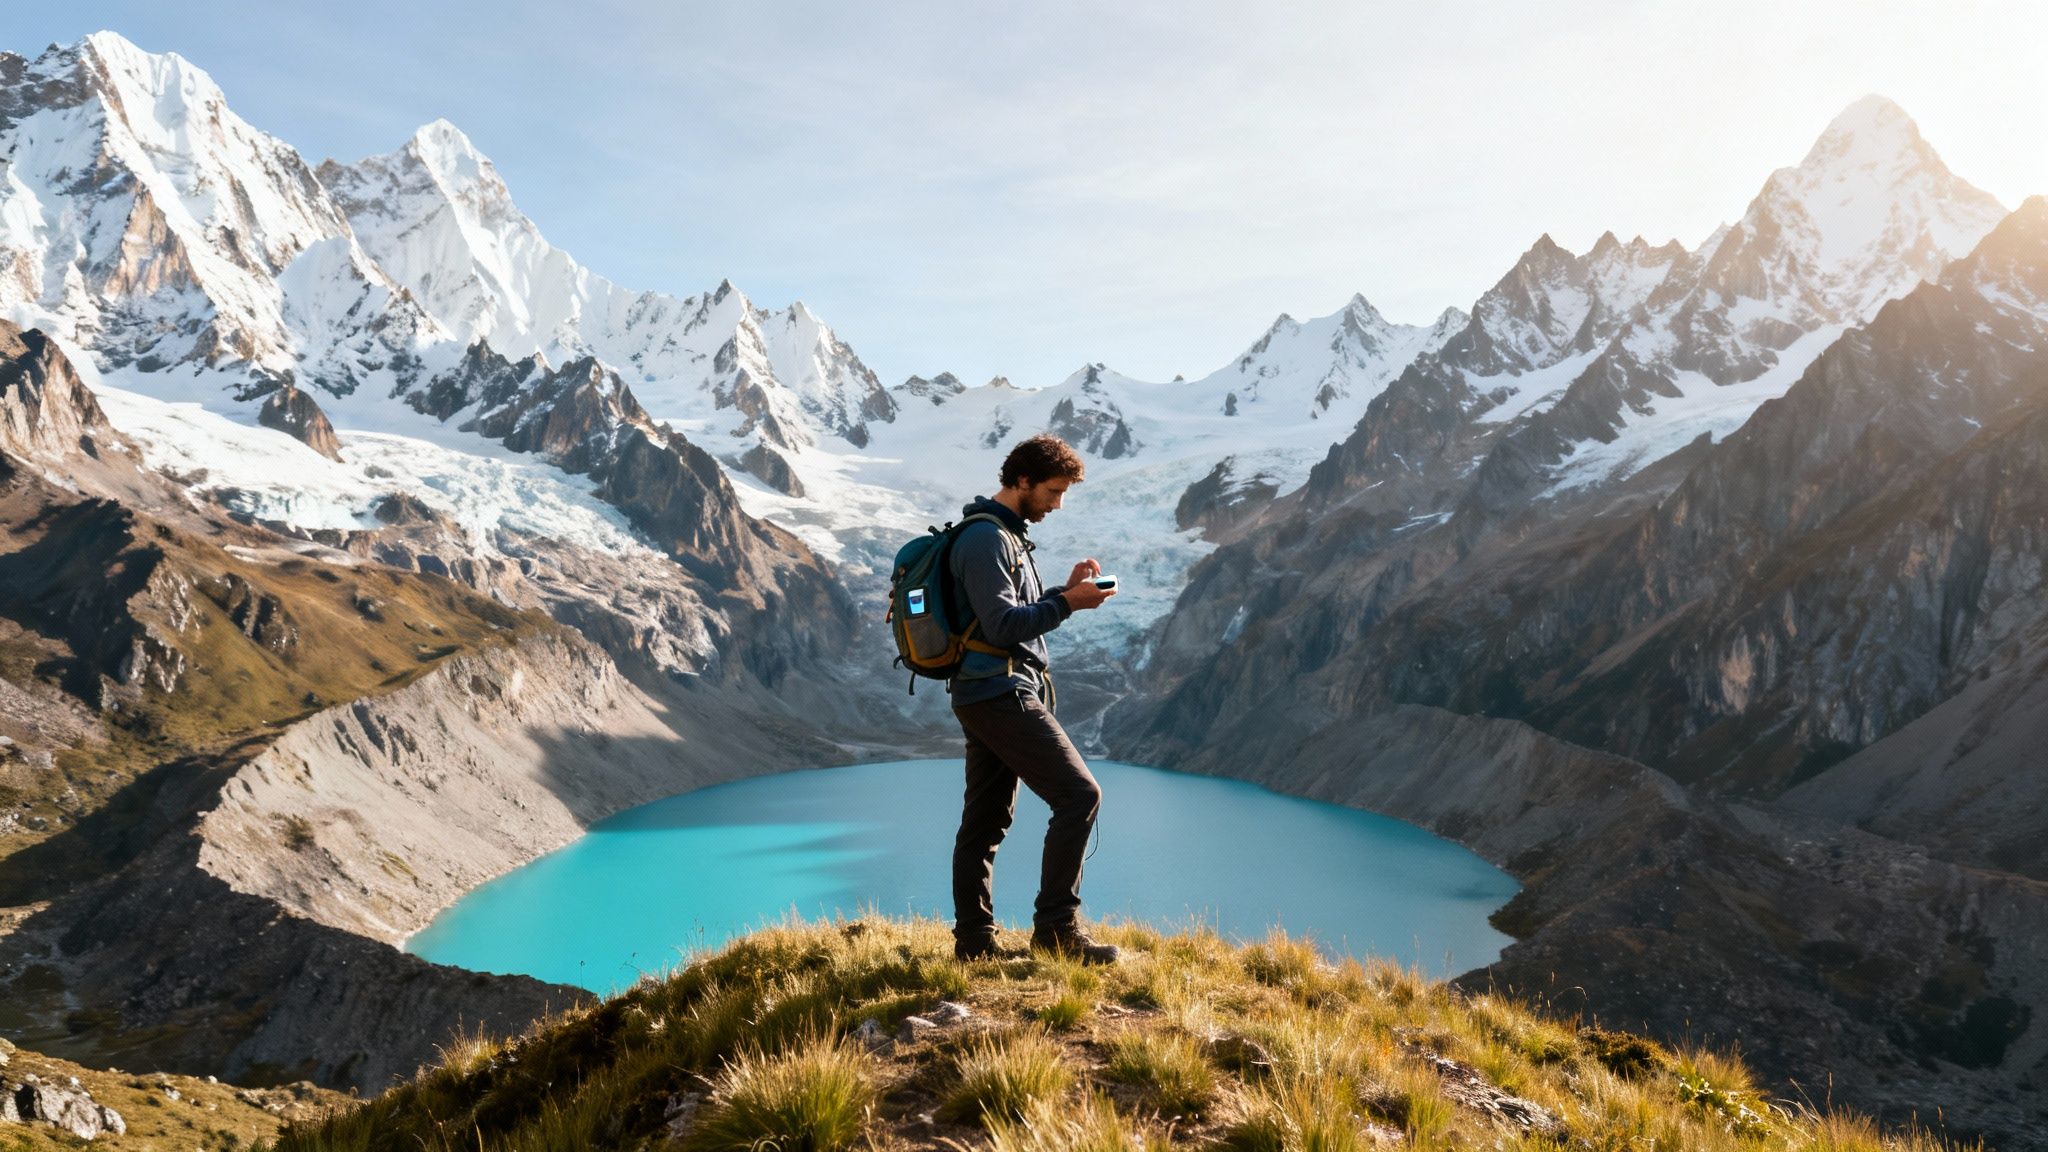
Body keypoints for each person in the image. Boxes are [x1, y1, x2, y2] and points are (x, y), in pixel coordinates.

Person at [947, 434, 1120, 964]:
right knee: (1079, 796)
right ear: (1021, 480)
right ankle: (1057, 931)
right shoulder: (986, 540)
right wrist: (1069, 604)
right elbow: (1002, 627)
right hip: (999, 692)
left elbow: (1007, 619)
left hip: (987, 691)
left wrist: (1059, 593)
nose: (1057, 503)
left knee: (986, 821)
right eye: (1052, 490)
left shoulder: (1005, 537)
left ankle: (975, 945)